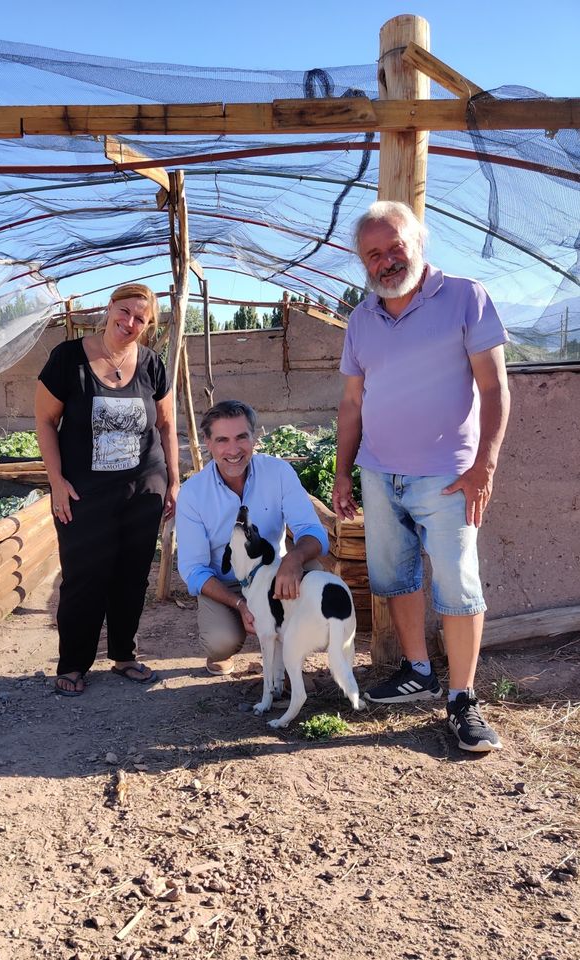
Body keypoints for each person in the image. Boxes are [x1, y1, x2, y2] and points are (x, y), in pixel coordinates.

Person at [334, 200, 510, 752]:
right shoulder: (362, 318)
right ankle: (417, 670)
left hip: (449, 477)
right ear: (363, 263)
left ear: (417, 244)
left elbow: (495, 388)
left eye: (395, 247)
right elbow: (351, 403)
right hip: (381, 475)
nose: (386, 261)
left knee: (457, 585)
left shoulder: (464, 297)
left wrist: (485, 464)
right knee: (394, 579)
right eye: (373, 254)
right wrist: (342, 471)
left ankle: (463, 698)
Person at [35, 282, 179, 696]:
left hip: (143, 488)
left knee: (132, 576)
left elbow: (167, 424)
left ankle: (124, 654)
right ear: (110, 307)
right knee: (84, 575)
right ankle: (74, 663)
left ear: (147, 326)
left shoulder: (152, 363)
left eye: (140, 318)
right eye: (125, 311)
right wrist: (57, 482)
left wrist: (174, 479)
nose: (129, 322)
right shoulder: (68, 359)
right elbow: (45, 421)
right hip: (83, 492)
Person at [176, 400, 328, 675]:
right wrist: (241, 604)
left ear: (254, 438)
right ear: (208, 444)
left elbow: (313, 532)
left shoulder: (278, 473)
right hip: (227, 586)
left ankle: (289, 649)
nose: (233, 450)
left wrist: (293, 559)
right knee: (221, 641)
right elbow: (194, 569)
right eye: (222, 440)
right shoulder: (192, 493)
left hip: (274, 576)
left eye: (241, 437)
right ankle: (224, 646)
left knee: (314, 573)